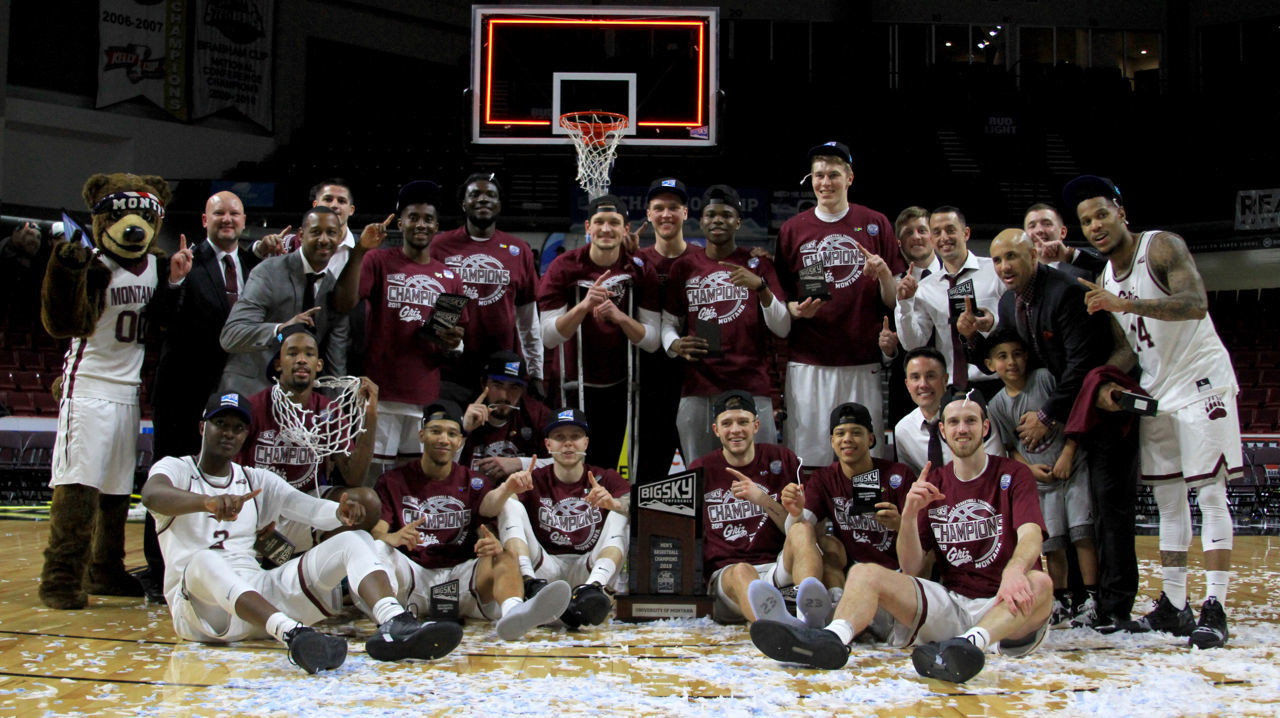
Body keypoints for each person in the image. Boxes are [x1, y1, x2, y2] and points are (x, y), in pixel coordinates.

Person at [142, 392, 463, 673]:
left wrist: (339, 512)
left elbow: (305, 507)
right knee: (205, 560)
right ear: (203, 428)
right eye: (220, 424)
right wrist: (207, 502)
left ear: (246, 434)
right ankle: (295, 636)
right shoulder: (177, 468)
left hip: (256, 606)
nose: (228, 433)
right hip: (201, 615)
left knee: (355, 539)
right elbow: (152, 495)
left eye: (237, 427)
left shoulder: (255, 478)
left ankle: (394, 622)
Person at [750, 392, 1052, 684]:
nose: (962, 429)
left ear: (985, 427)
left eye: (971, 421)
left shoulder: (1014, 474)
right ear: (943, 431)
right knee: (862, 573)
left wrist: (1015, 570)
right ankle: (830, 639)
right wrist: (908, 515)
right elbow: (913, 569)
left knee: (1040, 582)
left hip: (1005, 605)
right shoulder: (932, 481)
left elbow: (1030, 535)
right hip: (953, 602)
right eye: (955, 422)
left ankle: (970, 645)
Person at [1068, 174, 1240, 649]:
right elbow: (1128, 349)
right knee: (1167, 500)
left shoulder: (1161, 246)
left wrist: (1123, 302)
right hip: (1158, 393)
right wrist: (1101, 383)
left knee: (1208, 493)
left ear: (1122, 212)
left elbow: (1194, 303)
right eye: (1086, 221)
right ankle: (1175, 605)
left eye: (1102, 213)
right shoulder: (1104, 277)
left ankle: (1216, 607)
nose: (1096, 225)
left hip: (1202, 380)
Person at [961, 228, 1133, 629]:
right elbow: (1006, 354)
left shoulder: (1065, 291)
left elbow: (1081, 363)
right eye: (999, 259)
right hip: (1051, 418)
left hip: (1093, 409)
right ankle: (1071, 598)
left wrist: (1047, 416)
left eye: (1013, 257)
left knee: (1104, 511)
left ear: (1034, 256)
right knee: (1062, 531)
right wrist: (973, 339)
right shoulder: (1008, 301)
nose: (1004, 266)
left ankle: (1112, 603)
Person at [369, 401, 571, 640]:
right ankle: (391, 619)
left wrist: (492, 543)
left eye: (452, 433)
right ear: (421, 435)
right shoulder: (392, 480)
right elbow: (376, 533)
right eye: (436, 431)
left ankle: (514, 613)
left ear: (460, 441)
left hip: (460, 578)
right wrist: (393, 537)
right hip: (415, 576)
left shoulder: (475, 482)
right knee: (377, 549)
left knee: (503, 556)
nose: (444, 439)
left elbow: (485, 529)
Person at [774, 142, 904, 465]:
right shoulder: (793, 230)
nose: (825, 182)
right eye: (819, 175)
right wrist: (796, 310)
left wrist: (886, 274)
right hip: (807, 362)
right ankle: (808, 517)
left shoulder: (876, 223)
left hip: (861, 359)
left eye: (833, 174)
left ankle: (864, 517)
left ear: (849, 178)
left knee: (862, 459)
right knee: (807, 458)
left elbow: (893, 299)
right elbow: (780, 304)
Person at [331, 180, 465, 479]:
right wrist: (360, 251)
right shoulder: (378, 260)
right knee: (368, 478)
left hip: (424, 395)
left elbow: (452, 342)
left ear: (436, 227)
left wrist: (454, 342)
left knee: (411, 483)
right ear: (400, 223)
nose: (421, 224)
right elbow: (343, 302)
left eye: (428, 219)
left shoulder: (450, 278)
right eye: (413, 217)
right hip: (380, 392)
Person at [748, 402, 916, 630]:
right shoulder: (824, 479)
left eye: (856, 433)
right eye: (840, 433)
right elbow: (796, 533)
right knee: (824, 543)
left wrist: (900, 524)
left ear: (871, 439)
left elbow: (924, 540)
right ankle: (816, 611)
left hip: (894, 572)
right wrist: (796, 512)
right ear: (831, 441)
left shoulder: (898, 474)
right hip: (850, 572)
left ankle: (833, 620)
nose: (847, 439)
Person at [663, 184, 790, 465]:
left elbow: (782, 327)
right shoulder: (684, 267)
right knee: (699, 473)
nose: (717, 220)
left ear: (739, 222)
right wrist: (674, 343)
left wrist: (762, 288)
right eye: (710, 215)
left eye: (726, 214)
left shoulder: (758, 265)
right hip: (698, 386)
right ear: (701, 220)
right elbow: (668, 323)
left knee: (761, 471)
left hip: (752, 384)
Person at [982, 328, 1099, 626]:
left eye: (1017, 354)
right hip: (1041, 483)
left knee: (1083, 535)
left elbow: (1075, 415)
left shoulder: (1045, 379)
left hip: (1072, 469)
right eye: (1002, 356)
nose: (1011, 362)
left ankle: (1091, 597)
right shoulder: (995, 405)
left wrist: (1068, 453)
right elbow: (1010, 447)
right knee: (1053, 543)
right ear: (990, 364)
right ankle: (1060, 598)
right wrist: (1028, 470)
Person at [538, 194, 660, 469]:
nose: (606, 229)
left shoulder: (639, 268)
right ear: (587, 227)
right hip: (572, 385)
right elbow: (548, 336)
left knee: (606, 466)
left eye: (614, 222)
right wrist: (583, 306)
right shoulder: (564, 266)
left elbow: (652, 341)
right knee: (571, 463)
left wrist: (620, 318)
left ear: (626, 229)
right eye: (599, 222)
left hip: (621, 386)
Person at [239, 326, 381, 555]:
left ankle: (318, 559)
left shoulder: (329, 411)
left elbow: (354, 477)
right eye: (293, 353)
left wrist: (370, 416)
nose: (301, 360)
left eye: (309, 354)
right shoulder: (253, 406)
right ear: (278, 364)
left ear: (319, 365)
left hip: (304, 506)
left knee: (367, 502)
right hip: (256, 507)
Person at [497, 408, 631, 628]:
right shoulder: (534, 478)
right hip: (545, 568)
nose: (568, 444)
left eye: (575, 437)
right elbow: (496, 507)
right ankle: (529, 584)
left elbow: (636, 505)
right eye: (560, 437)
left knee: (620, 513)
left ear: (586, 443)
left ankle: (593, 590)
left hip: (587, 566)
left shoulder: (606, 477)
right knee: (509, 504)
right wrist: (509, 489)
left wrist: (613, 503)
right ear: (548, 445)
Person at [429, 174, 543, 402]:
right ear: (464, 203)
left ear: (499, 205)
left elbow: (528, 319)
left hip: (502, 366)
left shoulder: (518, 250)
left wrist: (536, 372)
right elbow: (430, 305)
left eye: (490, 195)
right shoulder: (441, 246)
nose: (483, 199)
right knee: (450, 434)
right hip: (451, 365)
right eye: (475, 195)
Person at [692, 390, 801, 624]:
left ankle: (811, 613)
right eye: (727, 423)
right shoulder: (701, 469)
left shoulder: (782, 459)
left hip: (775, 568)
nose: (735, 430)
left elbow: (794, 531)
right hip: (728, 576)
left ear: (756, 425)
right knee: (742, 571)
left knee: (804, 532)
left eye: (743, 422)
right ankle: (777, 632)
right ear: (716, 430)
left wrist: (763, 499)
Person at [219, 206, 350, 397]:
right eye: (315, 232)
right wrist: (280, 329)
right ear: (301, 235)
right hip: (246, 394)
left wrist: (335, 411)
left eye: (331, 233)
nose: (323, 239)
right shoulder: (269, 271)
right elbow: (231, 336)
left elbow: (335, 362)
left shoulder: (334, 289)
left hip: (294, 404)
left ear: (339, 239)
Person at [894, 206, 1003, 395]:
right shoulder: (926, 288)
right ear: (932, 239)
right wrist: (905, 304)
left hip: (996, 381)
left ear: (966, 233)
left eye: (950, 230)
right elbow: (913, 345)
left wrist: (992, 323)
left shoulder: (995, 272)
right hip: (952, 386)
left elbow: (1016, 323)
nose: (944, 237)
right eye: (937, 232)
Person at [634, 177, 694, 481]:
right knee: (649, 463)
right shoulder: (637, 260)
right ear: (648, 214)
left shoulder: (702, 259)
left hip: (694, 377)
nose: (666, 214)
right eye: (659, 208)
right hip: (647, 377)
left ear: (685, 212)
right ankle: (642, 525)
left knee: (695, 459)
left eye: (674, 207)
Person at [894, 347, 1004, 478]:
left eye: (930, 376)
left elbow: (996, 466)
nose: (923, 384)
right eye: (915, 377)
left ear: (945, 379)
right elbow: (911, 480)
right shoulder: (903, 430)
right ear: (907, 384)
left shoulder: (974, 413)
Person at [460, 350, 552, 481]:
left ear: (522, 390)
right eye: (498, 385)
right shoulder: (462, 411)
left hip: (521, 496)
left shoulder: (536, 415)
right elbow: (440, 467)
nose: (504, 396)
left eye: (514, 387)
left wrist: (519, 463)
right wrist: (464, 432)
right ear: (483, 383)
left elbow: (566, 463)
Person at [1023, 203, 1107, 280]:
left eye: (1047, 224)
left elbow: (1114, 267)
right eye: (1032, 226)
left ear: (1063, 232)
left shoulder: (1086, 262)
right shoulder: (1018, 272)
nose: (1039, 230)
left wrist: (1069, 256)